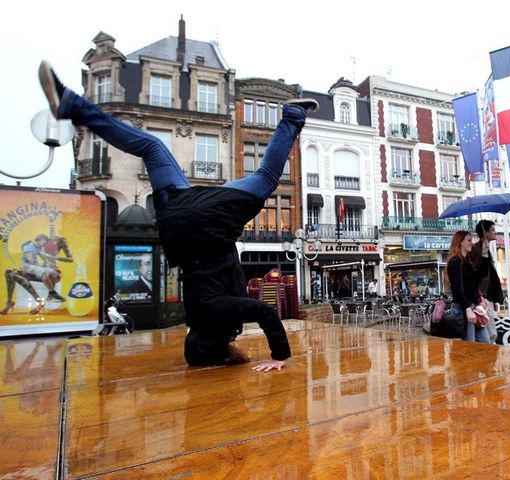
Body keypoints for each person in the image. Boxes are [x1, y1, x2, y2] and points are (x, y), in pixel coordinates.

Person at [39, 60, 319, 371]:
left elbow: (266, 313)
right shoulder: (196, 316)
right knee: (152, 147)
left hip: (206, 225)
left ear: (224, 350)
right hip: (175, 216)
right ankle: (72, 106)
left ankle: (293, 116)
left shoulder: (222, 312)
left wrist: (279, 356)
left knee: (267, 177)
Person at [446, 230, 491, 343]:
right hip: (464, 309)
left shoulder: (467, 261)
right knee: (469, 346)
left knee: (485, 343)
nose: (472, 243)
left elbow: (481, 276)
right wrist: (467, 309)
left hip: (474, 308)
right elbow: (456, 289)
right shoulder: (455, 262)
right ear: (460, 242)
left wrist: (485, 253)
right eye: (469, 240)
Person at [470, 220, 503, 341]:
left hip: (487, 298)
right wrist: (482, 297)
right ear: (485, 232)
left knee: (489, 334)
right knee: (491, 335)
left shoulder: (487, 249)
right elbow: (478, 274)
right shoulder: (476, 250)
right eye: (493, 230)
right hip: (481, 298)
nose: (495, 232)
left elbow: (492, 277)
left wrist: (495, 298)